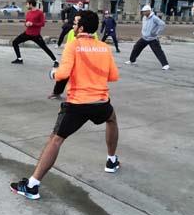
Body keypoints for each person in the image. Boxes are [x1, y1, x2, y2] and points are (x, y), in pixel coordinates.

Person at [10, 10, 120, 200]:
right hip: (101, 101)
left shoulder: (73, 45)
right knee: (111, 119)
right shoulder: (104, 47)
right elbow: (113, 76)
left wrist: (53, 73)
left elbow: (62, 74)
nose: (73, 26)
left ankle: (32, 185)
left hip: (77, 104)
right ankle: (111, 161)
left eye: (76, 23)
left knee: (56, 140)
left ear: (82, 28)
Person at [48, 16, 99, 100]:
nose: (73, 26)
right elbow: (68, 46)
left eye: (75, 23)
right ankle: (56, 92)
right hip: (73, 58)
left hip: (86, 60)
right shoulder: (72, 32)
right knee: (65, 74)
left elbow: (95, 47)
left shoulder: (93, 34)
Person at [11, 0, 58, 66]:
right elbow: (26, 22)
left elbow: (42, 24)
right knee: (15, 42)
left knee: (44, 47)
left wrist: (33, 24)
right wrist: (26, 24)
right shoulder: (28, 13)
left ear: (31, 4)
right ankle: (19, 59)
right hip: (27, 33)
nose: (26, 6)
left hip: (36, 35)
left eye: (27, 4)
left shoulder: (40, 13)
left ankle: (55, 61)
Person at [125, 4, 169, 70]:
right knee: (136, 48)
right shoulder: (144, 18)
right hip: (144, 37)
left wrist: (156, 32)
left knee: (158, 51)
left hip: (152, 39)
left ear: (149, 11)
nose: (143, 13)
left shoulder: (154, 18)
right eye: (143, 11)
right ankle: (132, 60)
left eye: (145, 11)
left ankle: (165, 65)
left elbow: (162, 24)